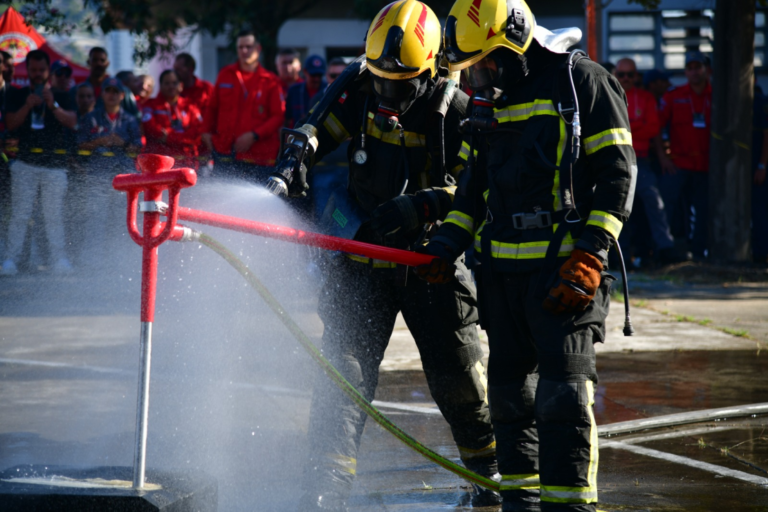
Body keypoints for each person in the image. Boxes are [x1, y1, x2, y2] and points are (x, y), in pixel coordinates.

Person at [417, 1, 636, 510]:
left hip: (565, 276)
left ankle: (572, 505)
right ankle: (521, 502)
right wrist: (444, 248)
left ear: (515, 40)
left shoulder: (582, 83)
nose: (480, 74)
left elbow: (618, 176)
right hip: (501, 283)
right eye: (473, 66)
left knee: (563, 401)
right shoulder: (488, 103)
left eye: (487, 60)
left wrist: (591, 253)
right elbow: (470, 193)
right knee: (510, 402)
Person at [282, 2, 499, 509]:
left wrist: (423, 204)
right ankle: (326, 490)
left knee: (460, 379)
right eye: (380, 80)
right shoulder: (358, 94)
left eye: (398, 84)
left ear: (427, 71)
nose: (386, 93)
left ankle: (489, 479)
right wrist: (297, 159)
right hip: (363, 260)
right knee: (343, 381)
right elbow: (320, 132)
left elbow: (476, 190)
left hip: (432, 265)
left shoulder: (456, 111)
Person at [1, 50, 77, 276]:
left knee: (53, 216)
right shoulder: (17, 94)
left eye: (41, 70)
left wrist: (52, 105)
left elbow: (73, 122)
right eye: (33, 70)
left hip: (55, 166)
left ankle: (59, 260)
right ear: (28, 69)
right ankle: (10, 261)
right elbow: (11, 124)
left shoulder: (62, 94)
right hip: (25, 164)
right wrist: (27, 105)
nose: (36, 74)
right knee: (20, 215)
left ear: (48, 71)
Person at [613, 58, 677, 265]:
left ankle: (665, 249)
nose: (625, 79)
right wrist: (636, 126)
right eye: (621, 75)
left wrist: (626, 129)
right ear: (615, 75)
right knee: (617, 207)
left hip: (641, 160)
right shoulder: (609, 96)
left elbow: (653, 128)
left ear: (636, 76)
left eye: (630, 75)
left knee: (654, 202)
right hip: (615, 161)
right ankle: (620, 256)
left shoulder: (645, 98)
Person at [77, 77, 142, 271]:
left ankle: (121, 263)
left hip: (124, 179)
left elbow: (137, 149)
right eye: (108, 91)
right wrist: (102, 141)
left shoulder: (130, 120)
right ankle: (92, 264)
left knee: (123, 222)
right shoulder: (90, 117)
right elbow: (80, 145)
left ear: (122, 95)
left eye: (116, 91)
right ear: (102, 94)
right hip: (98, 175)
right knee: (95, 220)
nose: (112, 95)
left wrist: (121, 143)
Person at [202, 30, 284, 181]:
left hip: (259, 157)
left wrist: (254, 135)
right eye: (240, 47)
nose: (244, 51)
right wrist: (206, 132)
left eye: (249, 46)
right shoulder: (226, 74)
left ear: (258, 48)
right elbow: (212, 107)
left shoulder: (270, 80)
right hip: (225, 151)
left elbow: (278, 116)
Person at [657, 51, 712, 259]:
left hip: (706, 166)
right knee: (667, 204)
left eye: (698, 67)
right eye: (690, 68)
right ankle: (666, 253)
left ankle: (699, 254)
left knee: (703, 209)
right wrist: (663, 157)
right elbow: (657, 128)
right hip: (678, 163)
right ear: (685, 71)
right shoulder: (674, 96)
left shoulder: (719, 95)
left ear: (707, 69)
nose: (694, 71)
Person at [141, 69, 204, 169]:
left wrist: (168, 137)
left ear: (181, 85)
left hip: (187, 164)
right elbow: (151, 129)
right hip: (159, 165)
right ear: (160, 86)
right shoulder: (150, 105)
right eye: (167, 83)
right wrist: (182, 137)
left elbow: (196, 134)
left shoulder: (190, 107)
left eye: (174, 83)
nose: (171, 86)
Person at [72, 47, 138, 118]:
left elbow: (135, 117)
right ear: (88, 62)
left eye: (102, 60)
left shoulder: (122, 91)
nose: (99, 63)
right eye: (95, 60)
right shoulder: (76, 91)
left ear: (107, 63)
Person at [285, 55, 327, 128]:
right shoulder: (294, 91)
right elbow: (287, 119)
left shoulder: (327, 91)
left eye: (319, 75)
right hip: (298, 135)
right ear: (305, 71)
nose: (316, 79)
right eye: (313, 75)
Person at [752, 79, 768, 264]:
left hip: (759, 166)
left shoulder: (761, 102)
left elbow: (766, 135)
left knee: (760, 209)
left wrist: (762, 165)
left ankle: (761, 253)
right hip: (743, 167)